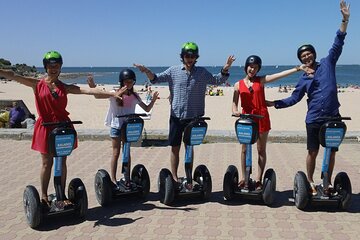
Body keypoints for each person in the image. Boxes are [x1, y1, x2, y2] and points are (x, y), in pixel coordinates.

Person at [0, 51, 122, 206]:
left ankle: (62, 195)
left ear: (60, 67)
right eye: (50, 66)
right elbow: (13, 76)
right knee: (46, 163)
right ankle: (44, 196)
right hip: (46, 127)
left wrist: (113, 93)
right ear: (45, 67)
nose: (54, 69)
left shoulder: (64, 87)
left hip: (63, 127)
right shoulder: (36, 84)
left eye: (56, 66)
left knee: (62, 161)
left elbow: (88, 91)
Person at [268, 0, 350, 195]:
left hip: (332, 117)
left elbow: (338, 42)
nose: (307, 57)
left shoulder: (327, 63)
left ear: (314, 54)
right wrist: (274, 103)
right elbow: (294, 98)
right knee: (312, 152)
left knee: (330, 152)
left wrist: (345, 20)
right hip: (313, 119)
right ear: (301, 60)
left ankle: (327, 182)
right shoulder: (303, 79)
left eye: (309, 53)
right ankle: (311, 181)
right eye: (303, 56)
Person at [134, 42, 236, 187]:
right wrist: (146, 70)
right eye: (187, 56)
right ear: (182, 57)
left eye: (192, 56)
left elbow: (217, 80)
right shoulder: (173, 71)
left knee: (189, 147)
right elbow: (155, 79)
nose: (189, 58)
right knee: (175, 147)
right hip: (176, 117)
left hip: (194, 118)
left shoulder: (201, 72)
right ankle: (174, 177)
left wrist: (226, 68)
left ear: (196, 58)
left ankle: (189, 177)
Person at [232, 55, 310, 190]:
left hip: (261, 118)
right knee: (244, 149)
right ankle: (244, 177)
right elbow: (234, 103)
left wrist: (297, 69)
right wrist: (235, 110)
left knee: (261, 149)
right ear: (246, 67)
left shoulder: (261, 81)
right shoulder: (237, 84)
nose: (252, 70)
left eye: (255, 68)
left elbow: (279, 75)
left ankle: (258, 179)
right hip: (246, 120)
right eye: (250, 67)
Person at [87, 69, 159, 187]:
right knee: (116, 153)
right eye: (126, 82)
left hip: (129, 127)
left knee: (127, 152)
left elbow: (146, 109)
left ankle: (127, 178)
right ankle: (114, 179)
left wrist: (153, 100)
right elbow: (98, 96)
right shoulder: (114, 93)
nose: (128, 84)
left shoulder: (134, 96)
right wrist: (92, 86)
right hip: (116, 126)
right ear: (121, 82)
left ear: (133, 82)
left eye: (130, 82)